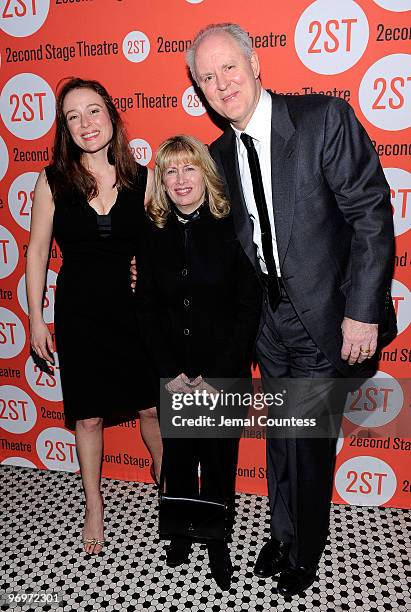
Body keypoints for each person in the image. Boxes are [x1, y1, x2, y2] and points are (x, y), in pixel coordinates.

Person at [186, 23, 395, 596]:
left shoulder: (322, 119)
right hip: (265, 323)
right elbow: (217, 243)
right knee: (283, 437)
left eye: (228, 67)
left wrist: (362, 311)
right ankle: (283, 534)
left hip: (326, 314)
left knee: (307, 440)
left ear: (255, 65)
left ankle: (304, 549)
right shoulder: (219, 154)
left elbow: (371, 216)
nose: (220, 83)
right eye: (206, 77)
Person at [26, 77, 162, 556]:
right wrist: (36, 320)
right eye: (73, 117)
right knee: (88, 417)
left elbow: (161, 247)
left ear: (111, 115)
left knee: (151, 407)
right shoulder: (52, 180)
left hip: (134, 312)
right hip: (80, 311)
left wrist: (146, 271)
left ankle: (167, 487)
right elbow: (38, 251)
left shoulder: (143, 178)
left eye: (93, 111)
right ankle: (94, 504)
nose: (85, 123)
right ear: (64, 128)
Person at [134, 135, 261, 590]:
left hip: (222, 372)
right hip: (174, 373)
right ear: (161, 182)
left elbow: (249, 306)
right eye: (170, 171)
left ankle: (216, 539)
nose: (180, 180)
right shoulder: (153, 231)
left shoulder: (233, 226)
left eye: (189, 169)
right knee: (182, 457)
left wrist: (219, 373)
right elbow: (145, 305)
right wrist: (171, 372)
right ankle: (181, 533)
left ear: (205, 173)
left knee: (219, 458)